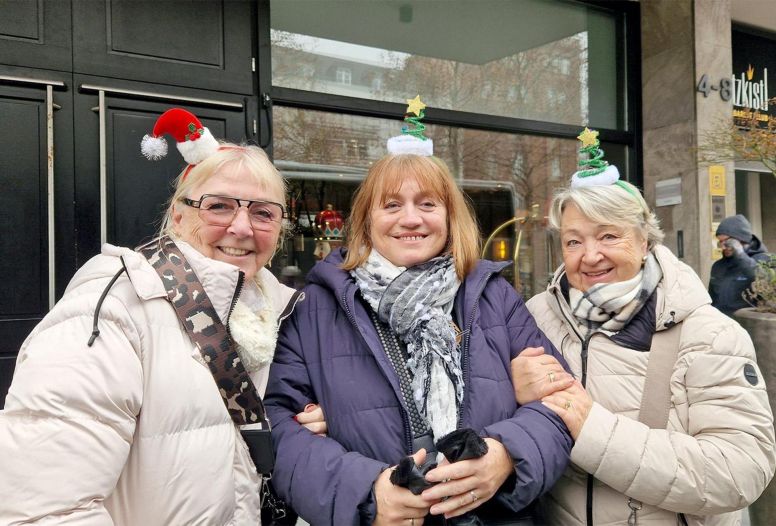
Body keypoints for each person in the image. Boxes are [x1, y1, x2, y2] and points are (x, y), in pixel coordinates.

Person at [0, 108, 322, 525]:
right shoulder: (112, 310)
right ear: (178, 215)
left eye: (263, 212)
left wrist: (303, 427)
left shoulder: (283, 311)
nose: (242, 227)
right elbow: (43, 508)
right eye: (219, 206)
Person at [264, 152, 573, 525]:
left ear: (449, 217)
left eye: (427, 204)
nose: (411, 218)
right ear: (366, 220)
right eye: (392, 205)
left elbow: (562, 405)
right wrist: (366, 493)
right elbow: (278, 427)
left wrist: (507, 454)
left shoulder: (495, 297)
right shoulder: (314, 309)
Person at [511, 128, 776, 525]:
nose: (590, 256)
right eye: (573, 241)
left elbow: (739, 472)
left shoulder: (709, 335)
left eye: (608, 235)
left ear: (643, 239)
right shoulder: (536, 316)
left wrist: (592, 429)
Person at [709, 214, 771, 317]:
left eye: (728, 242)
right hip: (720, 325)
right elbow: (712, 299)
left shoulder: (764, 260)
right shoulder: (718, 266)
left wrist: (740, 255)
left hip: (748, 325)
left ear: (742, 239)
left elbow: (764, 281)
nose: (723, 247)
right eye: (720, 242)